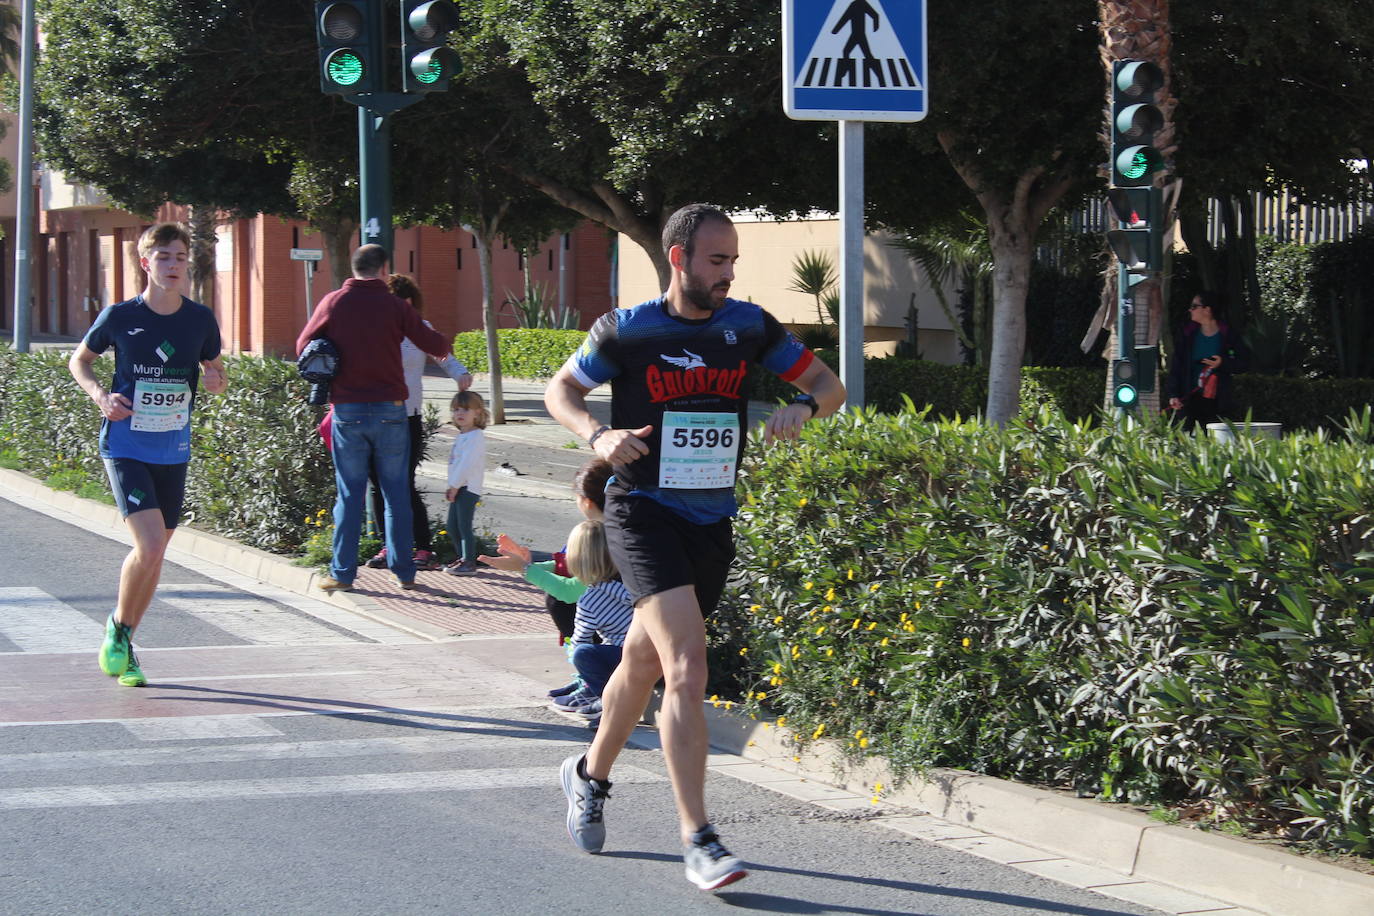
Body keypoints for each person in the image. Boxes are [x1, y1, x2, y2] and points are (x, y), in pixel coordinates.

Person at [545, 203, 845, 891]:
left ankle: (588, 775)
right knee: (686, 664)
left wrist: (804, 407)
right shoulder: (627, 329)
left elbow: (829, 386)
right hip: (641, 509)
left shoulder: (749, 328)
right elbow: (562, 387)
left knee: (644, 660)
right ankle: (699, 838)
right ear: (679, 259)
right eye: (718, 260)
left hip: (711, 519)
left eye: (734, 260)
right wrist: (597, 435)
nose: (729, 273)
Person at [67, 221, 228, 687]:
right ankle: (120, 630)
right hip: (125, 445)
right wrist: (100, 395)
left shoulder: (200, 319)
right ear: (146, 263)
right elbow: (79, 360)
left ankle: (124, 637)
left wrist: (217, 380)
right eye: (163, 257)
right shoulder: (119, 316)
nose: (173, 265)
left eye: (179, 257)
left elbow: (214, 371)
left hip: (173, 448)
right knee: (151, 545)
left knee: (156, 556)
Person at [296, 245, 452, 592]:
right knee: (396, 493)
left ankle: (342, 573)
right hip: (391, 410)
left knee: (350, 494)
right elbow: (437, 344)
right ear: (384, 269)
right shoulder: (395, 306)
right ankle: (404, 571)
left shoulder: (333, 303)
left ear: (353, 269)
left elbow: (303, 346)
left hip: (347, 410)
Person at [479, 458, 616, 698]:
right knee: (557, 601)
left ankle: (595, 684)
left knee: (560, 603)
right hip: (610, 628)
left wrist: (525, 569)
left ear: (586, 500)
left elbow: (572, 590)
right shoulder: (601, 529)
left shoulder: (602, 535)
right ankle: (587, 676)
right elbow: (567, 565)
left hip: (616, 639)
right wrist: (527, 564)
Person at [363, 273, 472, 572]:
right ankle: (389, 547)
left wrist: (460, 374)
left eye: (408, 307)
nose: (403, 312)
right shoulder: (371, 329)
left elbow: (444, 355)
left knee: (404, 483)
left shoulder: (419, 328)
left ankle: (423, 548)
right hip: (375, 414)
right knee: (377, 485)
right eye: (398, 305)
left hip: (408, 416)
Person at [1166, 291, 1250, 431]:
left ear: (1207, 309)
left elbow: (1244, 362)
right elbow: (1177, 365)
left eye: (1194, 306)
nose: (1190, 310)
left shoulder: (1227, 333)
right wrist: (1173, 394)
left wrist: (1222, 363)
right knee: (1183, 441)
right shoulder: (1187, 333)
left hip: (1217, 401)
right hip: (1188, 399)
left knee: (1214, 441)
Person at [444, 389, 488, 575]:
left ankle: (469, 561)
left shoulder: (475, 437)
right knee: (452, 526)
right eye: (456, 410)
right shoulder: (463, 435)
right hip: (458, 486)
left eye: (465, 409)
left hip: (467, 487)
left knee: (463, 526)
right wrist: (452, 485)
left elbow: (466, 465)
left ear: (477, 412)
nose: (460, 414)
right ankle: (462, 557)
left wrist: (454, 486)